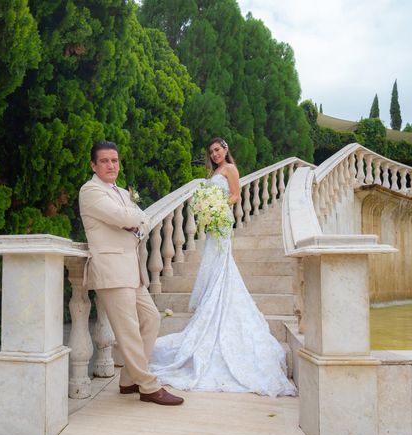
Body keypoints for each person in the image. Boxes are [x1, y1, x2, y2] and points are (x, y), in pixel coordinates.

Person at [149, 137, 297, 397]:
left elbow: (236, 195)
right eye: (211, 152)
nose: (215, 154)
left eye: (218, 150)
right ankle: (211, 304)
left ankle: (219, 306)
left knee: (221, 262)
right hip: (213, 222)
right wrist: (206, 209)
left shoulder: (230, 169)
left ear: (226, 150)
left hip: (222, 220)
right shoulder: (212, 172)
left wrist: (217, 207)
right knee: (212, 263)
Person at [79, 140, 184, 406]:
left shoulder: (122, 193)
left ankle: (127, 381)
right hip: (111, 271)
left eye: (114, 160)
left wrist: (133, 217)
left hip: (130, 271)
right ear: (93, 165)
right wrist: (133, 217)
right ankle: (148, 386)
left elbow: (143, 222)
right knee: (128, 331)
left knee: (151, 319)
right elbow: (125, 218)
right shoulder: (90, 191)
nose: (111, 165)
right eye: (104, 161)